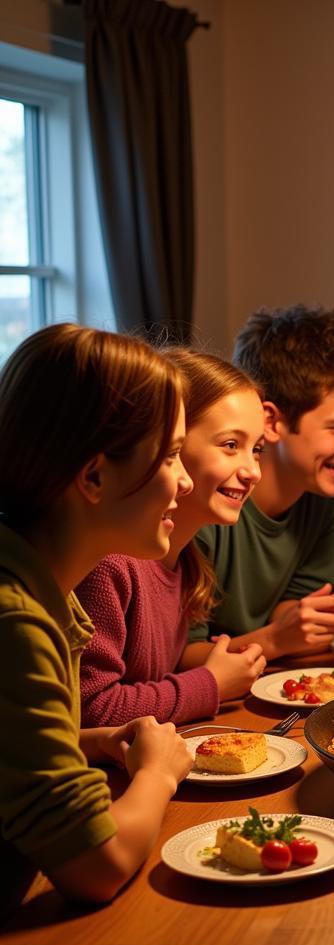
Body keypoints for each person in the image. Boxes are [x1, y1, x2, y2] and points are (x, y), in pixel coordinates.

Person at [0, 324, 193, 914]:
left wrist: (85, 742)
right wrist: (158, 774)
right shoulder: (17, 622)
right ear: (93, 477)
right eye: (170, 456)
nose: (185, 481)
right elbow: (96, 868)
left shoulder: (47, 588)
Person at [186, 305, 334, 662]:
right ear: (272, 421)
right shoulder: (206, 499)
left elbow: (287, 609)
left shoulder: (326, 488)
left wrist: (324, 616)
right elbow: (180, 656)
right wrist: (275, 641)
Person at [76, 351, 268, 727]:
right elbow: (90, 708)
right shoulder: (112, 562)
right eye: (231, 445)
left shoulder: (185, 563)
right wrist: (210, 683)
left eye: (257, 450)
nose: (252, 472)